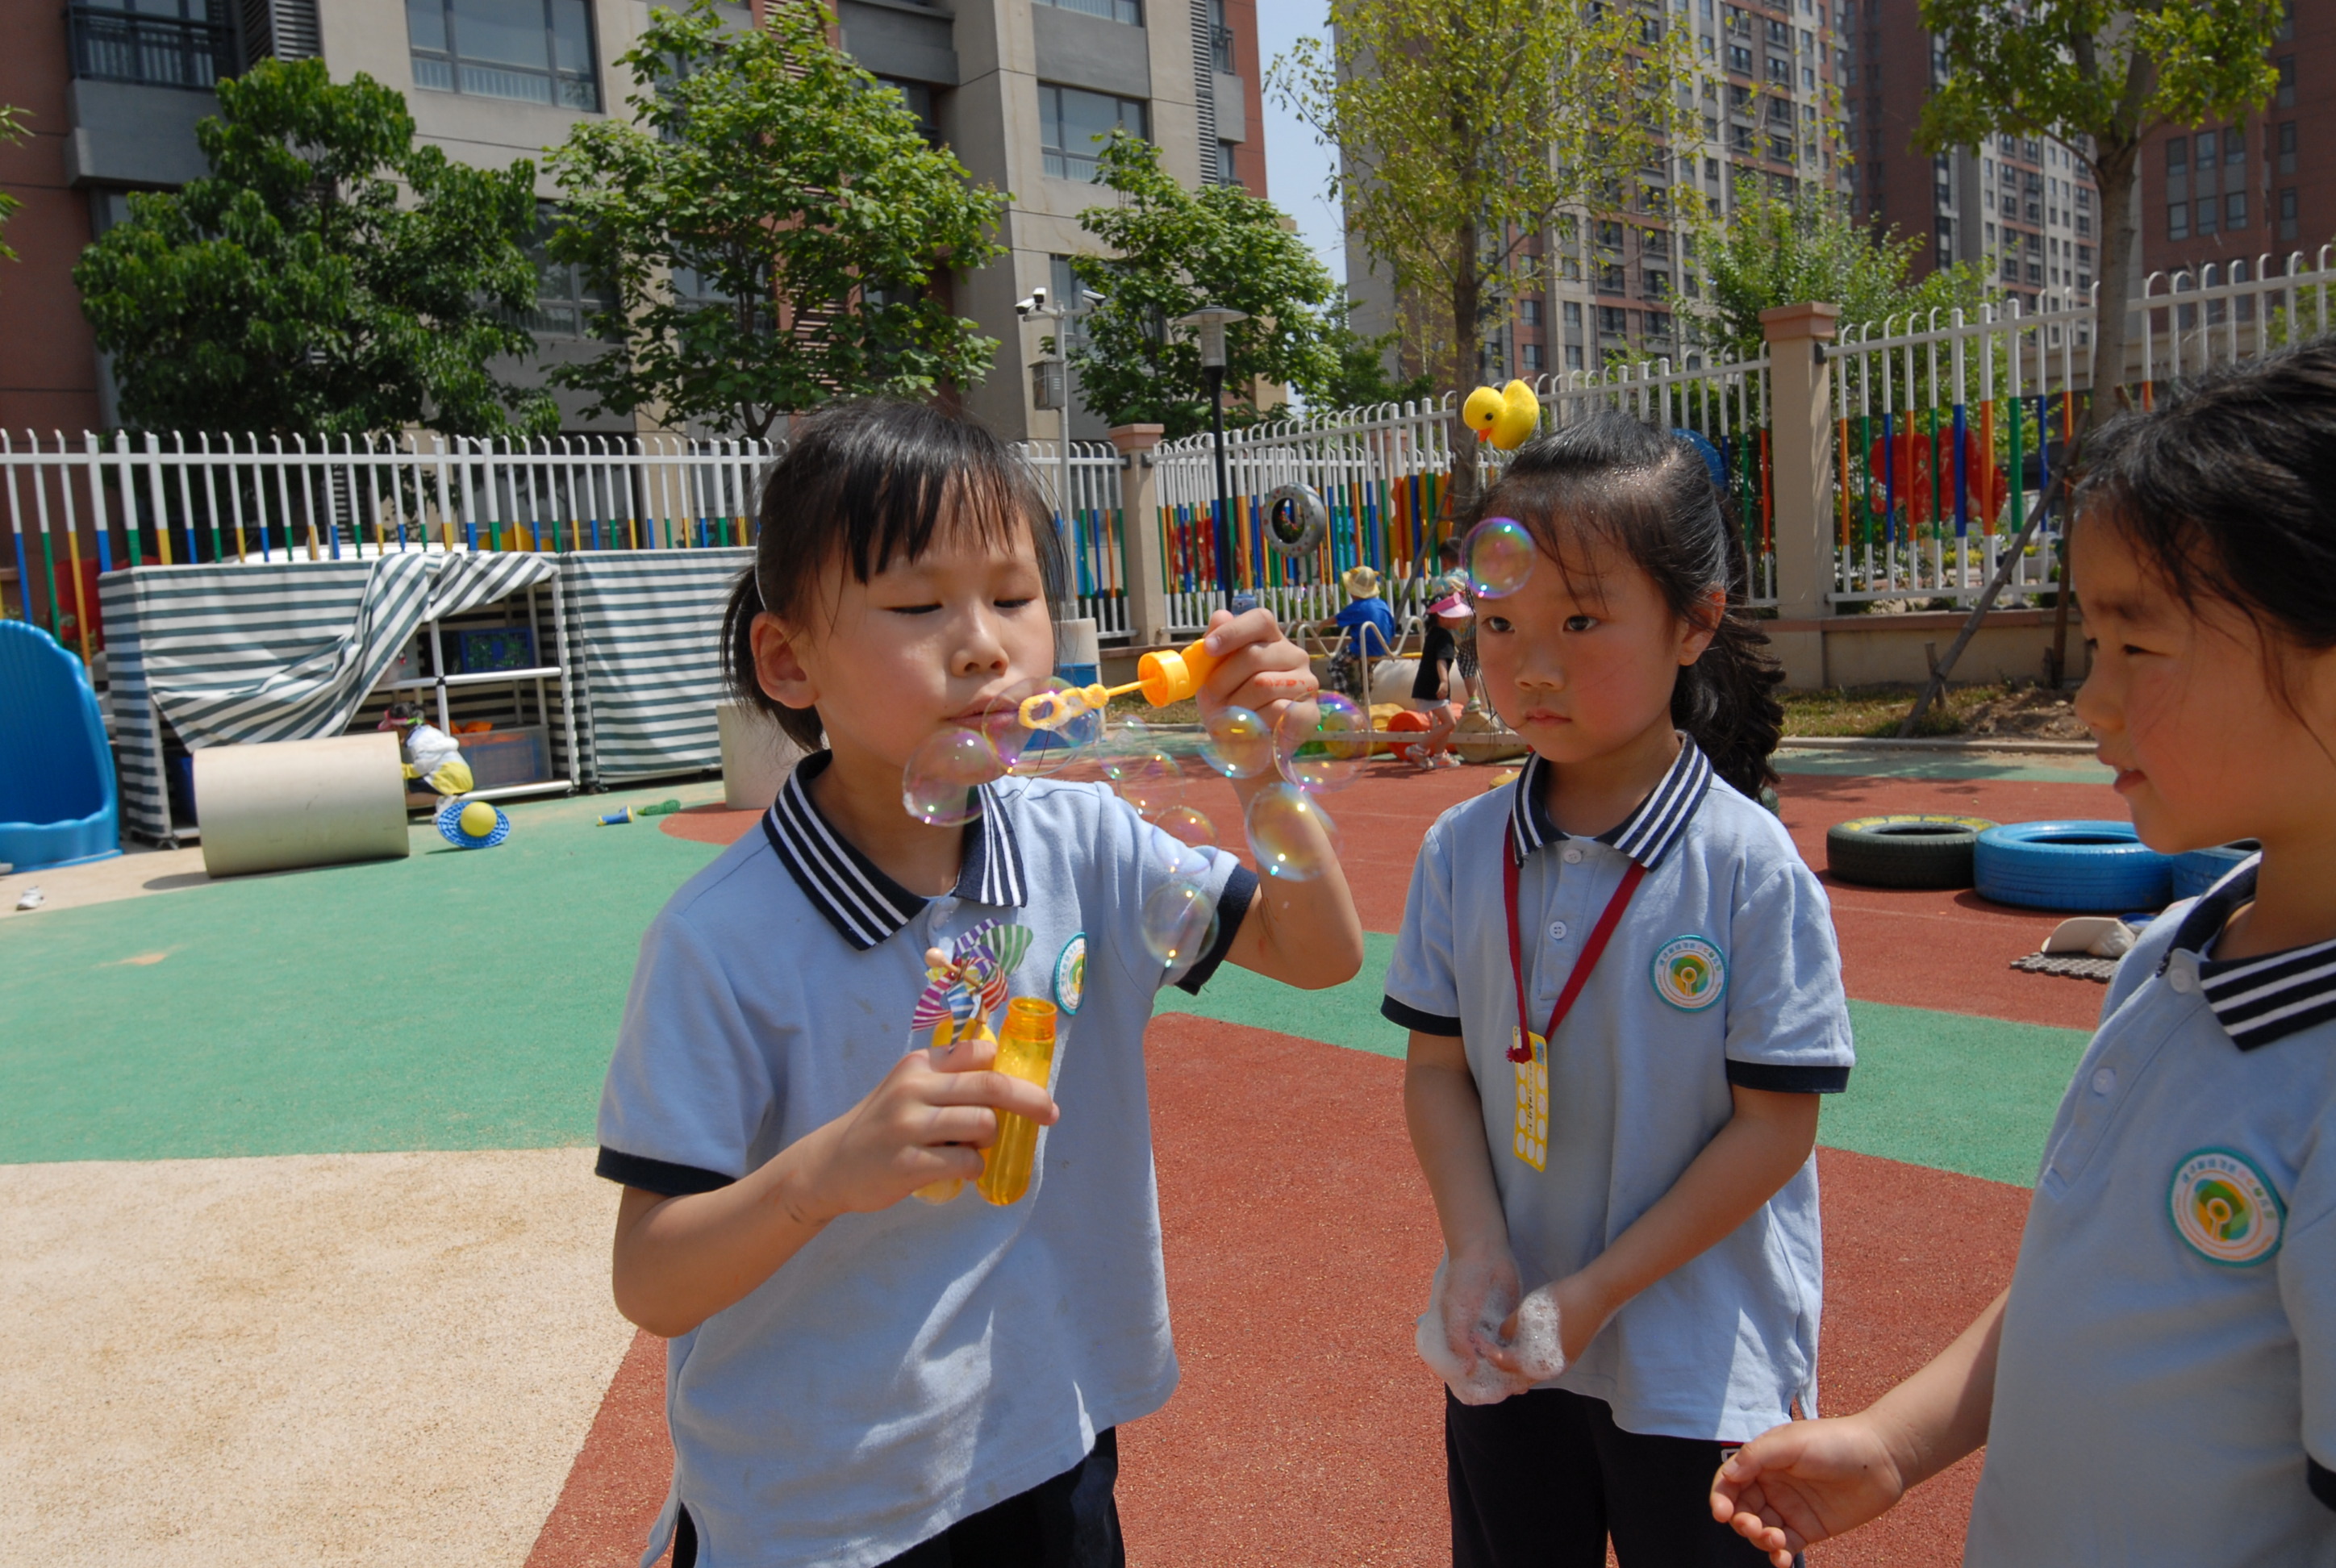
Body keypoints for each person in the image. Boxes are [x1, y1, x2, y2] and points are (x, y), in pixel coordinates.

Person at [594, 399, 1364, 1568]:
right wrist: (825, 1173)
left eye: (1012, 598)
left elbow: (1319, 957)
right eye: (916, 606)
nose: (982, 644)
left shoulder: (1085, 843)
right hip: (816, 1506)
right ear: (788, 659)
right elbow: (651, 1276)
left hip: (1047, 1450)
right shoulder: (723, 940)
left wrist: (1264, 775)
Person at [1711, 344, 2336, 1567]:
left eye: (2138, 648)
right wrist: (1897, 1441)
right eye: (2090, 643)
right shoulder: (2172, 951)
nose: (2091, 700)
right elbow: (2092, 1283)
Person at [1380, 412, 1854, 1567]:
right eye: (1500, 624)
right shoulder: (1458, 847)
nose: (1530, 664)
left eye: (1581, 620)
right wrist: (1479, 1247)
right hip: (1504, 1339)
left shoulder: (1746, 866)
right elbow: (1437, 1073)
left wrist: (1597, 1291)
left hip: (1698, 1363)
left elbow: (1776, 1127)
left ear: (1696, 622)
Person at [1331, 564, 1398, 703]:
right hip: (1383, 647)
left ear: (1353, 591)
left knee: (1335, 665)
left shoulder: (1357, 607)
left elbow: (1335, 619)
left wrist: (1320, 626)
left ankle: (1345, 699)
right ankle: (1367, 699)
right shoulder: (1382, 604)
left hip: (1363, 648)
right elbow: (1391, 627)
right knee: (1366, 669)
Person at [378, 700, 472, 798]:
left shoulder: (417, 742)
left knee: (410, 790)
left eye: (393, 729)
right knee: (414, 785)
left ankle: (442, 800)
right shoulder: (428, 731)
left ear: (396, 727)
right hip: (461, 778)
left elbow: (422, 767)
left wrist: (400, 769)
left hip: (450, 781)